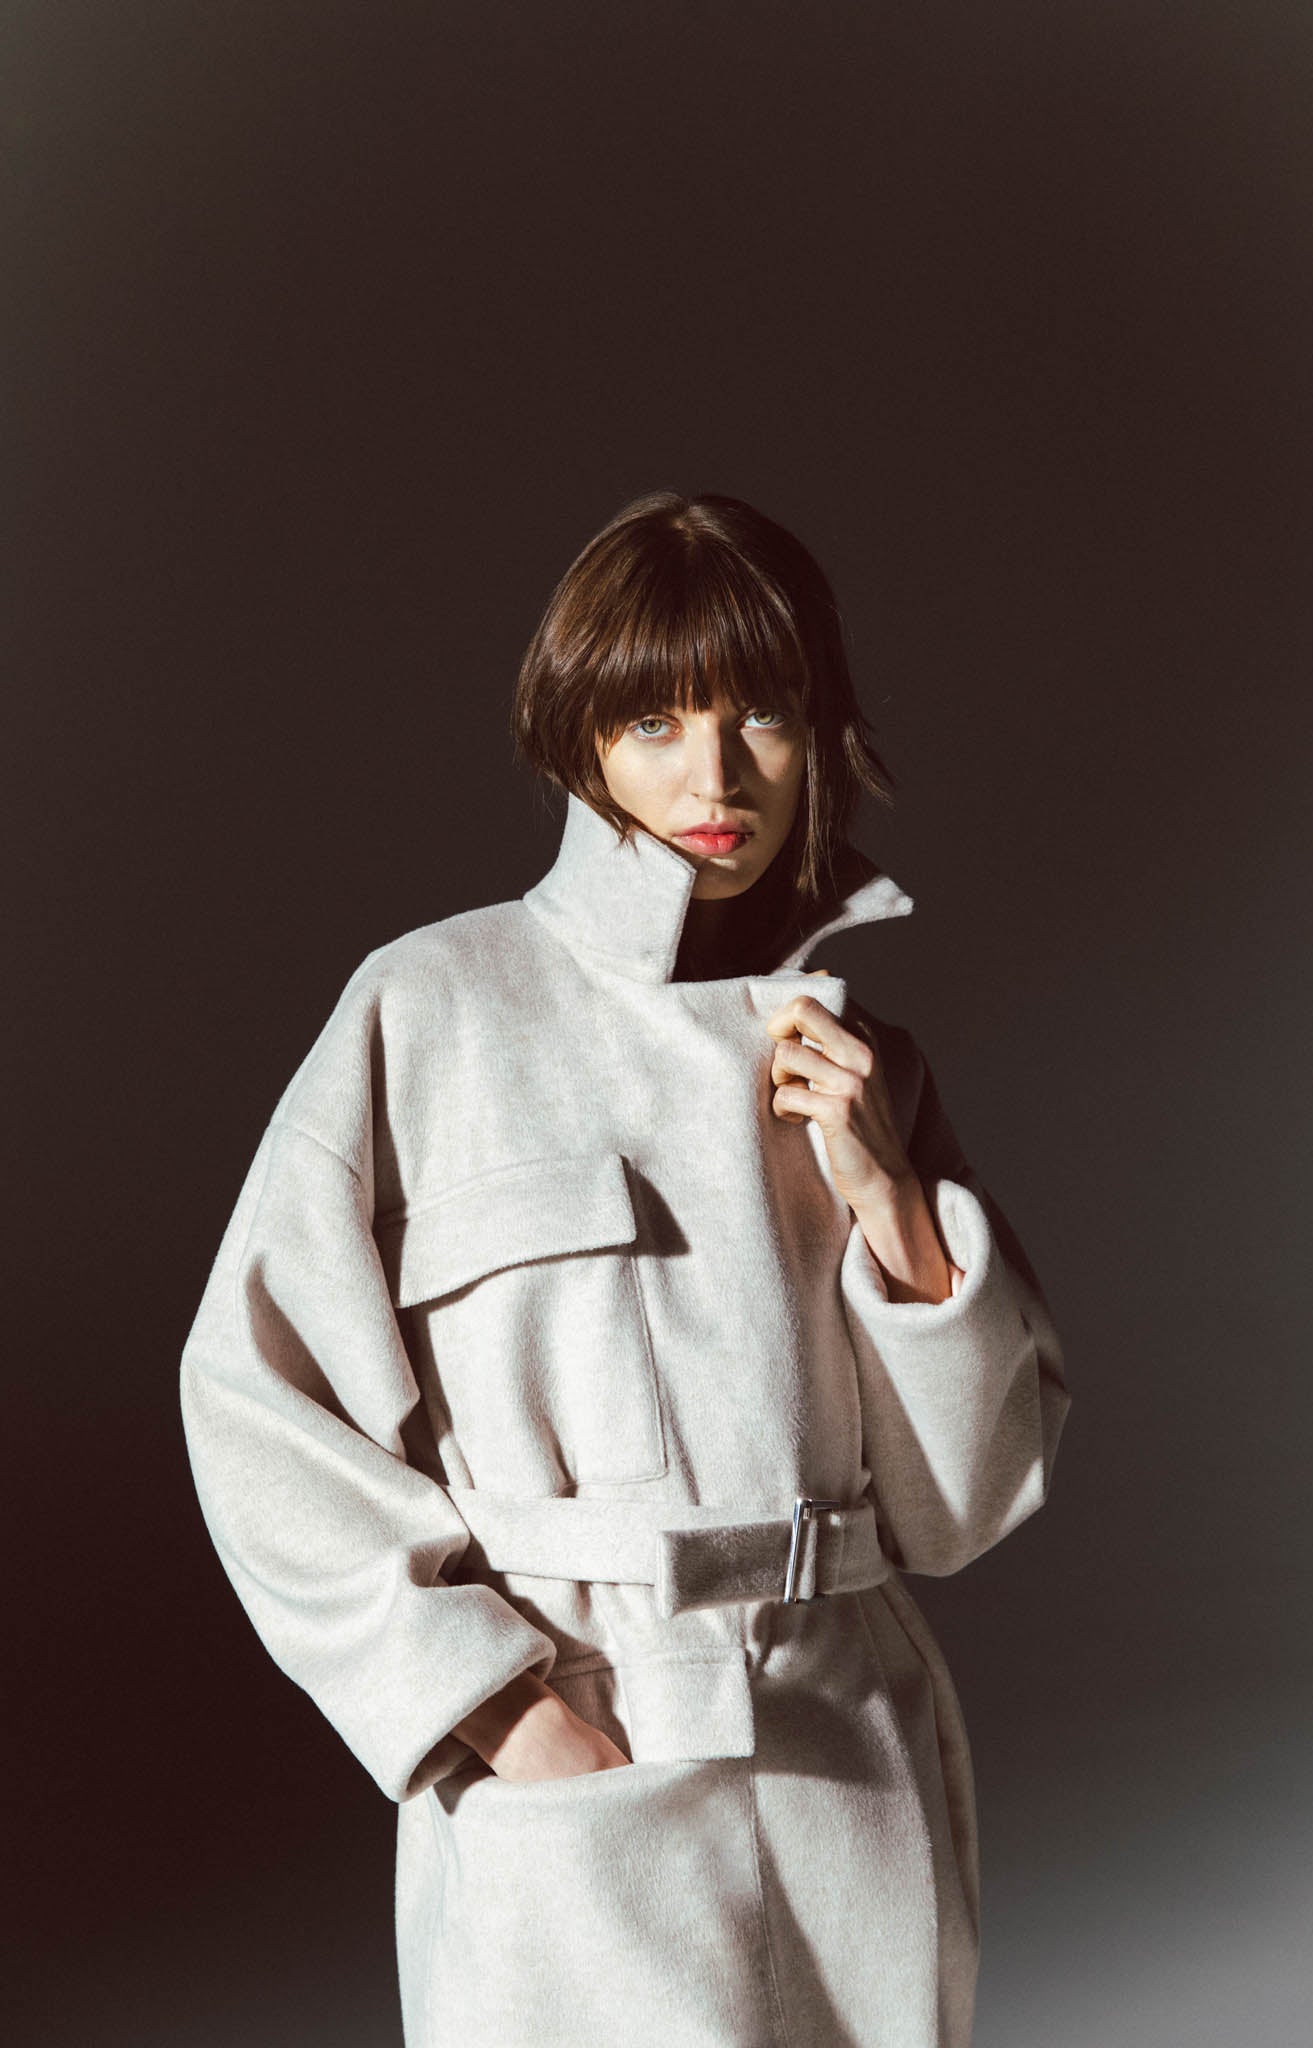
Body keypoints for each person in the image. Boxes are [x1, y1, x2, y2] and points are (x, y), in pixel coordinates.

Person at [179, 489, 1070, 2048]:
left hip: (846, 1756)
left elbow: (963, 1510)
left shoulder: (865, 1060)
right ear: (578, 735)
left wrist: (888, 1199)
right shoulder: (432, 1008)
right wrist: (494, 1711)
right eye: (655, 720)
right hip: (584, 1735)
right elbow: (254, 1402)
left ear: (819, 734)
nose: (713, 779)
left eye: (760, 716)